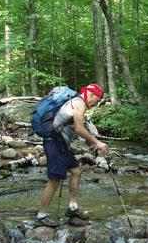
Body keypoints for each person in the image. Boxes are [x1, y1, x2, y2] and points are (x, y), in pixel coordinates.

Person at [36, 83, 108, 226]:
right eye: (97, 99)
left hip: (61, 144)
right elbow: (79, 129)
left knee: (76, 170)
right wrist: (98, 143)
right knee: (55, 180)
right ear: (90, 94)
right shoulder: (78, 103)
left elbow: (79, 129)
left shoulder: (75, 102)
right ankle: (41, 217)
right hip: (54, 142)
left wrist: (93, 143)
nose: (96, 103)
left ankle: (72, 208)